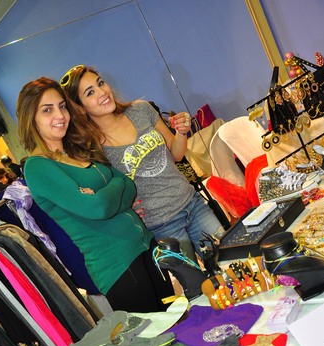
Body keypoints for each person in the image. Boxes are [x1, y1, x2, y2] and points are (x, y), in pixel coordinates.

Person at [16, 77, 174, 312]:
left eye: (62, 106)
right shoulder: (38, 166)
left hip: (147, 246)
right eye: (47, 110)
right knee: (161, 333)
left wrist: (106, 192)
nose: (60, 115)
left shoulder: (76, 150)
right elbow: (98, 208)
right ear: (31, 118)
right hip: (119, 267)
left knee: (181, 319)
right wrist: (111, 190)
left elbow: (127, 184)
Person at [60, 65, 225, 261]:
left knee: (229, 260)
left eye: (100, 83)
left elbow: (176, 154)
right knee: (193, 279)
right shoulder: (93, 149)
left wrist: (181, 132)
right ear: (80, 108)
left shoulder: (140, 110)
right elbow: (104, 195)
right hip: (161, 225)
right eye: (90, 92)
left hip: (192, 203)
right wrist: (125, 206)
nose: (102, 92)